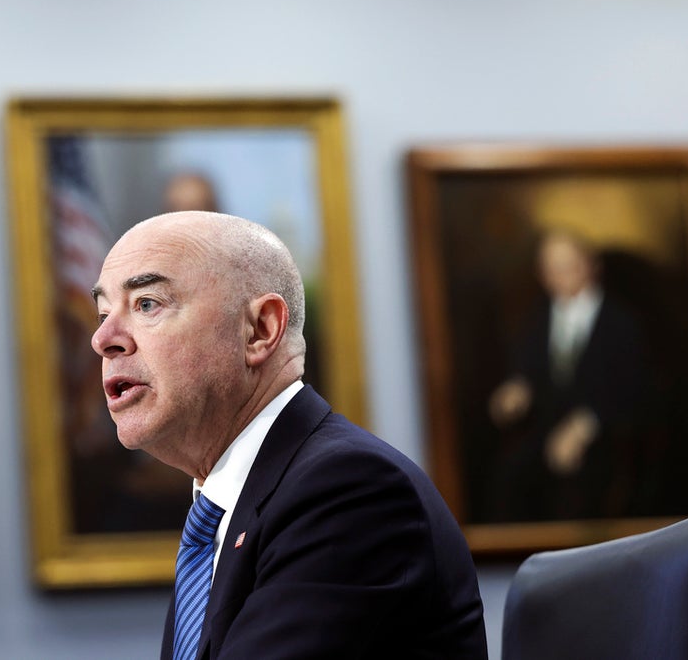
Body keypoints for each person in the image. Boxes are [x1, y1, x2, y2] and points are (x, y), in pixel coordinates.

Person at [90, 211, 487, 658]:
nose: (103, 338)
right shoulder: (226, 509)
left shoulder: (350, 491)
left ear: (260, 330)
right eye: (104, 313)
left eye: (147, 304)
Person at [487, 229, 650, 521]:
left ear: (590, 265)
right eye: (550, 268)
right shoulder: (536, 319)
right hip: (544, 432)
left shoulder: (621, 323)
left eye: (566, 266)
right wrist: (517, 389)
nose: (558, 276)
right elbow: (527, 370)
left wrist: (584, 426)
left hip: (606, 439)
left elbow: (632, 391)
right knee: (509, 476)